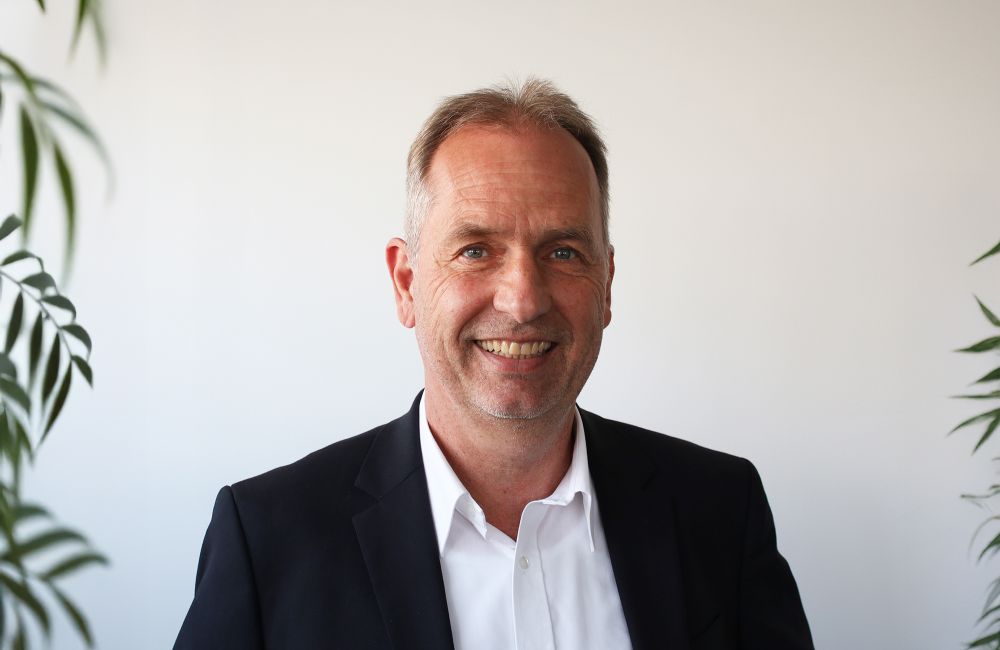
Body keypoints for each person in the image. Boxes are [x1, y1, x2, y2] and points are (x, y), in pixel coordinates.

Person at [174, 78, 814, 650]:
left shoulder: (719, 512)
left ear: (607, 285)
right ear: (405, 282)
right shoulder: (269, 540)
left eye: (563, 252)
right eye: (476, 250)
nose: (523, 300)